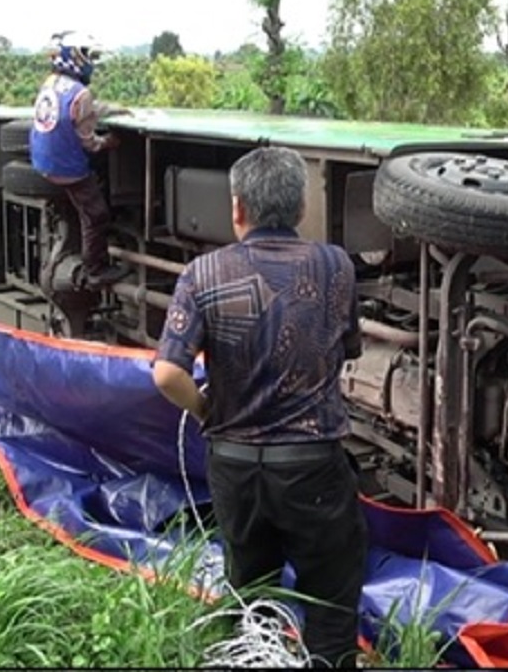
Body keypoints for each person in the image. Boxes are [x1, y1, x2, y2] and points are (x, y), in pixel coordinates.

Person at [151, 146, 367, 668]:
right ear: (299, 210)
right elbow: (349, 349)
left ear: (237, 208)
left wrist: (207, 412)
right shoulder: (335, 265)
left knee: (250, 593)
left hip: (234, 463)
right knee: (332, 601)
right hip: (312, 463)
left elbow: (166, 373)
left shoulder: (201, 274)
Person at [29, 30, 129, 288]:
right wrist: (109, 142)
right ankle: (95, 269)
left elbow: (83, 112)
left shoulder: (50, 82)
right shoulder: (80, 93)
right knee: (96, 214)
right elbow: (90, 142)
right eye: (87, 55)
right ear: (74, 57)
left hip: (43, 160)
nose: (91, 63)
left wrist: (111, 109)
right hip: (66, 166)